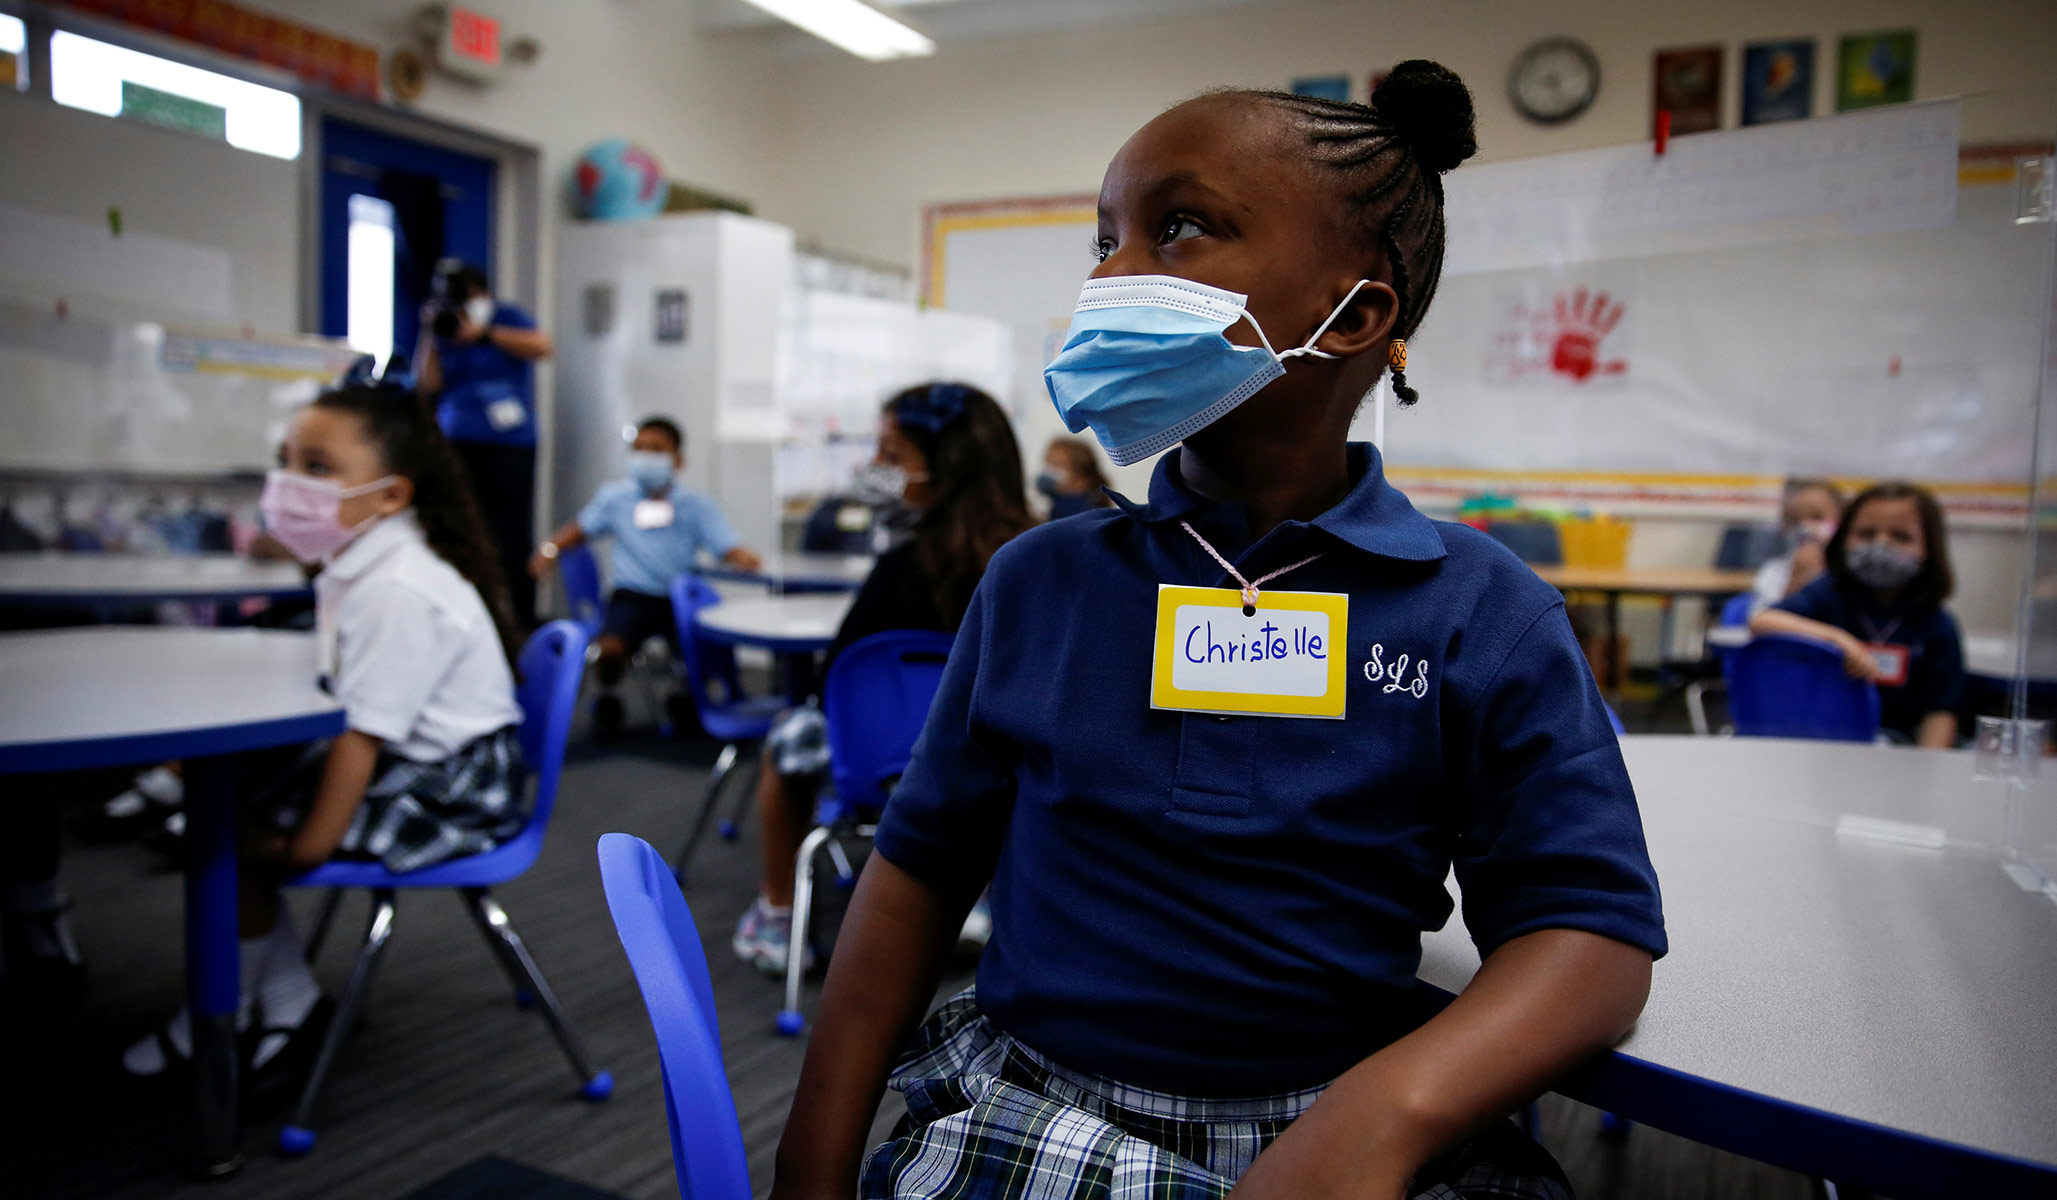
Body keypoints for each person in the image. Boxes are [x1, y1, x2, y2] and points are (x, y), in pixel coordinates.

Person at [771, 63, 1664, 1200]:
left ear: (1358, 315)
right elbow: (917, 872)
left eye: (1180, 228)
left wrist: (1380, 1118)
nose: (1111, 278)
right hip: (1038, 1116)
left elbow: (1587, 932)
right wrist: (811, 1159)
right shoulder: (1039, 582)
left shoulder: (1480, 611)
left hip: (1335, 1127)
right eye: (1105, 242)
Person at [123, 375, 528, 1090]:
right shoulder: (364, 559)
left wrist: (307, 847)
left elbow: (362, 738)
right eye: (286, 461)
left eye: (317, 467)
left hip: (451, 784)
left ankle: (230, 1016)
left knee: (225, 835)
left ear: (390, 496)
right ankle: (283, 1003)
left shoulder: (395, 588)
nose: (289, 483)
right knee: (224, 815)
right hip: (411, 754)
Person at [732, 383, 1034, 975]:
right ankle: (978, 895)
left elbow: (836, 683)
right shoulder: (1037, 558)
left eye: (891, 455)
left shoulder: (901, 567)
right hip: (998, 772)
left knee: (788, 738)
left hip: (881, 770)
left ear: (945, 467)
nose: (874, 467)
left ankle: (778, 915)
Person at [530, 417, 762, 739]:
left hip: (677, 598)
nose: (645, 457)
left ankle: (685, 695)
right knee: (610, 649)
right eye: (639, 449)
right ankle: (608, 697)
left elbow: (727, 545)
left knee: (707, 643)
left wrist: (744, 557)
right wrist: (549, 549)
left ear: (677, 460)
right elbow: (579, 530)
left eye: (656, 450)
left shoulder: (695, 505)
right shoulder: (615, 499)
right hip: (632, 596)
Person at [1749, 481, 1965, 748]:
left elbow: (1941, 710)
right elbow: (1762, 621)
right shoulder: (1829, 593)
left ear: (1930, 548)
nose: (1881, 545)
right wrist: (1837, 639)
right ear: (1843, 539)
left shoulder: (1937, 623)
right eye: (1866, 534)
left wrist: (1929, 763)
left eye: (1901, 537)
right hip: (1824, 744)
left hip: (1901, 751)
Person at [415, 260, 552, 630]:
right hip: (459, 441)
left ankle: (519, 619)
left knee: (511, 531)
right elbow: (428, 384)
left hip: (510, 444)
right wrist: (430, 332)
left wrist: (484, 335)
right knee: (460, 526)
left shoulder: (506, 317)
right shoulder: (442, 325)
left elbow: (542, 346)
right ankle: (464, 614)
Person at [1748, 477, 1844, 614]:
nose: (1805, 526)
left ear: (1842, 520)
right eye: (1795, 520)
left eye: (1816, 517)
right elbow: (1762, 620)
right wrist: (1795, 579)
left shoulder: (1850, 572)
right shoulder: (1773, 572)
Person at [1035, 434, 1115, 520]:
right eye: (1047, 463)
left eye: (1056, 465)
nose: (1048, 471)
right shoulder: (1056, 509)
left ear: (1082, 479)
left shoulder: (1082, 516)